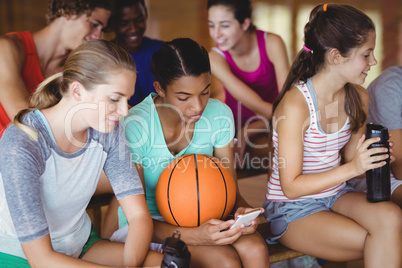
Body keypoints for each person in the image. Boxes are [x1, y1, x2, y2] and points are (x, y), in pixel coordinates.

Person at [107, 38, 270, 268]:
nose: (198, 106)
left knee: (256, 248)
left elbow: (229, 188)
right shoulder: (136, 126)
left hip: (206, 214)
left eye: (205, 92)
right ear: (160, 89)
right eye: (184, 98)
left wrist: (240, 213)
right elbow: (137, 216)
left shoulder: (219, 115)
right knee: (225, 262)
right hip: (146, 223)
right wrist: (195, 235)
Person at [0, 39, 162, 267]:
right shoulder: (23, 141)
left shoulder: (108, 130)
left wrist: (130, 265)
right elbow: (41, 258)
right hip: (18, 254)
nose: (125, 111)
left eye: (127, 99)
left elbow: (138, 217)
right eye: (115, 99)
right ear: (77, 90)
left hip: (79, 243)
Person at [264, 4, 401, 267]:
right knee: (379, 238)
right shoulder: (296, 105)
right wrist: (353, 167)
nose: (373, 62)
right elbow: (291, 186)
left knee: (392, 219)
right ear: (336, 57)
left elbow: (353, 164)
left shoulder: (358, 97)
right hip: (292, 208)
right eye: (366, 54)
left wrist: (371, 158)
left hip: (336, 194)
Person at [0, 0, 113, 137]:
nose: (97, 36)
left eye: (102, 29)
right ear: (68, 11)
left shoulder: (73, 70)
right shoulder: (7, 48)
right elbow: (23, 119)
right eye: (94, 24)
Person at [207, 0, 290, 169]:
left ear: (245, 23)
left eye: (224, 26)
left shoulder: (272, 43)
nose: (216, 34)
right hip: (238, 125)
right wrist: (242, 132)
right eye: (211, 25)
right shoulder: (214, 58)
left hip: (274, 120)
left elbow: (287, 103)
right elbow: (258, 105)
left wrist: (249, 130)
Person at [348, 66, 402, 207]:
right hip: (380, 174)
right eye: (366, 54)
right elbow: (399, 170)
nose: (374, 61)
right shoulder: (390, 86)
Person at [110, 0, 164, 107]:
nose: (133, 28)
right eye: (124, 23)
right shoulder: (103, 56)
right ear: (112, 23)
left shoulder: (163, 51)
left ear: (146, 15)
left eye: (139, 20)